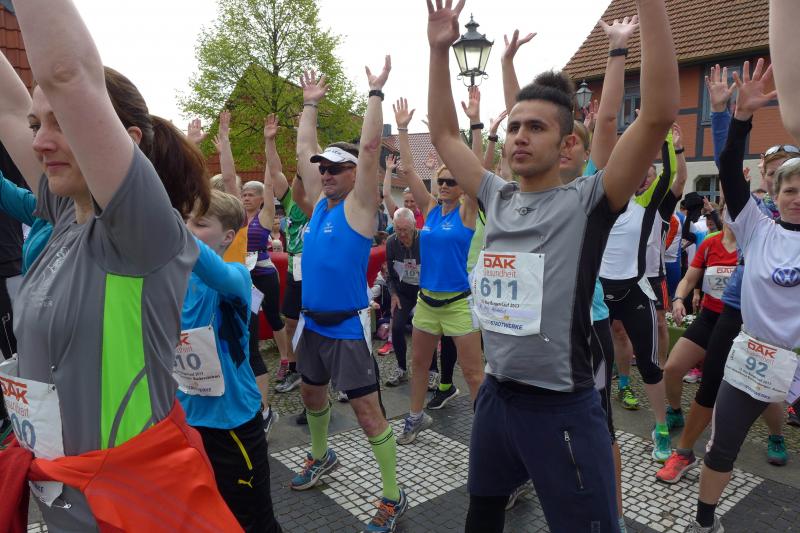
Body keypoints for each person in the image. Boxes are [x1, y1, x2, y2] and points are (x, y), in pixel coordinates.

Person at [426, 1, 678, 531]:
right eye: (514, 126)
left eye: (535, 127)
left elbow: (656, 114)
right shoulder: (495, 196)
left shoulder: (588, 201)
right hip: (497, 395)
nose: (519, 135)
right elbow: (446, 136)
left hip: (562, 406)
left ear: (566, 145)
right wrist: (437, 50)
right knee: (482, 514)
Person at [0, 1, 239, 529]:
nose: (39, 141)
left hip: (129, 508)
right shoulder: (66, 212)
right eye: (37, 124)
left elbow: (67, 73)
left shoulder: (142, 233)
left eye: (61, 123)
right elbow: (7, 109)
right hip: (64, 499)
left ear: (123, 142)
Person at [684, 58, 800, 533]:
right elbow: (729, 167)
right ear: (775, 191)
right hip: (754, 356)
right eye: (790, 189)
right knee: (721, 446)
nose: (797, 196)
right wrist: (741, 117)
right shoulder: (756, 228)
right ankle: (704, 523)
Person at [290, 62, 407, 532]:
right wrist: (309, 104)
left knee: (366, 411)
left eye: (335, 167)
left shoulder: (360, 206)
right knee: (310, 393)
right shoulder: (320, 204)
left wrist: (375, 94)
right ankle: (321, 455)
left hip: (346, 326)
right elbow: (304, 148)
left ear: (355, 173)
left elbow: (371, 146)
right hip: (311, 323)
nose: (325, 173)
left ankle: (393, 495)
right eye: (324, 168)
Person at [179, 190, 282, 532]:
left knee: (254, 523)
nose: (188, 229)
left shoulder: (237, 276)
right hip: (187, 423)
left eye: (199, 223)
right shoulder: (171, 281)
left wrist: (165, 222)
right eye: (186, 221)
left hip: (232, 425)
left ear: (227, 236)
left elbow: (212, 270)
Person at [393, 94, 484, 445]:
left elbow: (474, 168)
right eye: (441, 181)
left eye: (451, 181)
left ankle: (487, 432)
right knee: (419, 365)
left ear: (461, 186)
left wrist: (474, 125)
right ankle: (415, 418)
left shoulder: (467, 210)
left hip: (458, 303)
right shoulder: (430, 209)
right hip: (428, 302)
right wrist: (403, 130)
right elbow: (409, 170)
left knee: (473, 373)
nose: (444, 185)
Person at [263, 113, 308, 396]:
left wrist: (306, 130)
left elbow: (307, 160)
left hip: (316, 270)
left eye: (302, 176)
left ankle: (330, 372)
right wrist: (270, 141)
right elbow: (275, 171)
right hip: (294, 268)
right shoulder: (290, 199)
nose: (296, 179)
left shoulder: (320, 202)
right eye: (296, 176)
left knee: (321, 322)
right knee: (290, 321)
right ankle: (294, 368)